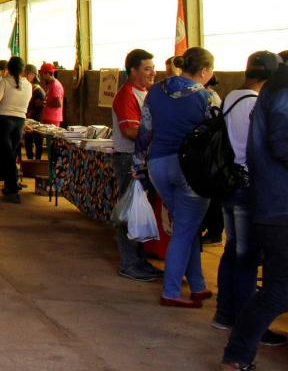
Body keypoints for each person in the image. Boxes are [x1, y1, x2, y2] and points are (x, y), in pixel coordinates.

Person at [221, 58, 288, 369]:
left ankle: (236, 351)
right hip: (279, 205)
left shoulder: (271, 90)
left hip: (269, 200)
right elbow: (281, 143)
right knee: (277, 290)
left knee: (272, 286)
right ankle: (236, 355)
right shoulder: (283, 92)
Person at [141, 46, 216, 307]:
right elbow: (216, 136)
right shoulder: (207, 97)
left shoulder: (156, 91)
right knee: (185, 229)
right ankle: (171, 292)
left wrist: (141, 161)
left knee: (187, 226)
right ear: (204, 70)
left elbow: (145, 130)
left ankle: (197, 286)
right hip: (191, 169)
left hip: (158, 164)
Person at [111, 48, 160, 282]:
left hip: (142, 159)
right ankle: (129, 262)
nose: (152, 72)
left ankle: (140, 259)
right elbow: (130, 131)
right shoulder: (127, 95)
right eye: (147, 68)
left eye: (152, 68)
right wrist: (159, 134)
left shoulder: (145, 93)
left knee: (140, 210)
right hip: (129, 159)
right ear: (133, 70)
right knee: (130, 210)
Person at [0, 56, 32, 204]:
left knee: (6, 155)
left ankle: (12, 189)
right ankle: (10, 185)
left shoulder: (4, 82)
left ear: (9, 68)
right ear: (23, 69)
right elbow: (27, 101)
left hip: (3, 120)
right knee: (12, 153)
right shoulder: (28, 85)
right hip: (19, 121)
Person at [38, 63, 64, 129]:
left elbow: (58, 103)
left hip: (52, 118)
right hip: (49, 117)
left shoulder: (55, 86)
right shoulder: (51, 84)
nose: (41, 76)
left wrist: (43, 103)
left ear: (48, 74)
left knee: (50, 138)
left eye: (42, 74)